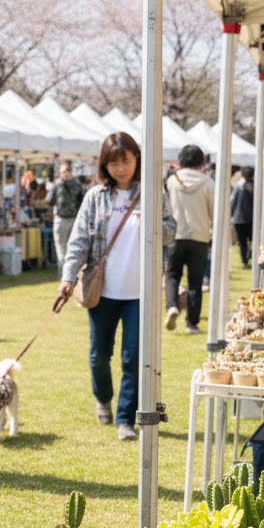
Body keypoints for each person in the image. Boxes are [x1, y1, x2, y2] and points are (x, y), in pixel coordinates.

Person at [57, 132, 175, 442]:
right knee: (99, 355)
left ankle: (125, 418)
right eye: (113, 163)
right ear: (104, 165)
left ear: (137, 160)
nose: (120, 168)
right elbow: (79, 241)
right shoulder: (95, 197)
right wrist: (68, 278)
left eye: (126, 161)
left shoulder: (152, 193)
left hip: (141, 292)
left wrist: (152, 222)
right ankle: (103, 397)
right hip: (103, 290)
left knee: (133, 358)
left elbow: (171, 230)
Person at [164, 143, 214, 335]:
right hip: (199, 236)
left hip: (175, 235)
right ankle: (191, 323)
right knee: (195, 281)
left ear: (180, 160)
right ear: (201, 162)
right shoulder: (208, 183)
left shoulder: (172, 181)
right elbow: (213, 212)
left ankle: (172, 306)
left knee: (172, 275)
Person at [47, 160, 85, 271]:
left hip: (61, 220)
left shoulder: (57, 184)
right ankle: (73, 273)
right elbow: (82, 203)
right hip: (74, 220)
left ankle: (64, 274)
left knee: (61, 249)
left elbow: (49, 200)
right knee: (73, 248)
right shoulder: (77, 185)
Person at [231, 166, 255, 268]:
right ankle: (252, 254)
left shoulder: (238, 186)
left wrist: (231, 215)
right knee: (253, 240)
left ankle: (244, 260)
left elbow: (233, 202)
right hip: (252, 218)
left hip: (239, 218)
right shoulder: (256, 186)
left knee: (242, 242)